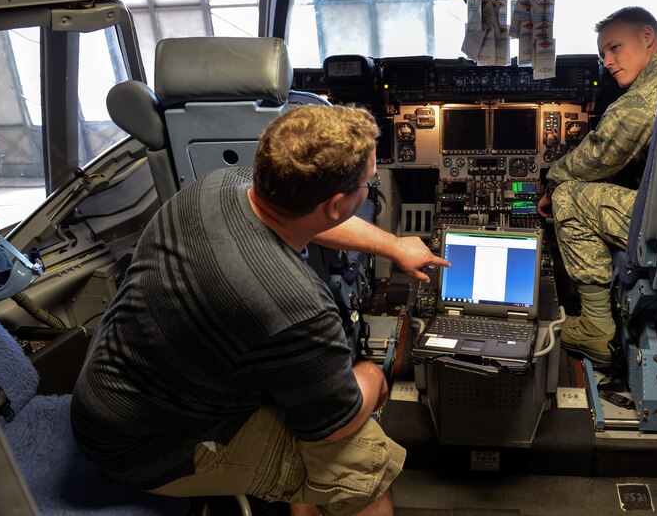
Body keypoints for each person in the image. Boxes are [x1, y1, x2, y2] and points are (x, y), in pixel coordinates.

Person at [71, 104, 447, 516]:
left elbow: (309, 217)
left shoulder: (210, 189)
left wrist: (392, 245)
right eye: (368, 185)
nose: (369, 189)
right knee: (362, 462)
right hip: (150, 448)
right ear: (338, 204)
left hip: (112, 397)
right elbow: (338, 423)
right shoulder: (297, 306)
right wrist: (372, 375)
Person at [536, 7, 657, 364]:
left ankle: (595, 327)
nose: (607, 61)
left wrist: (553, 180)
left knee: (569, 197)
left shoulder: (653, 89)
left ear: (647, 36)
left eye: (615, 48)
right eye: (602, 54)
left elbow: (602, 152)